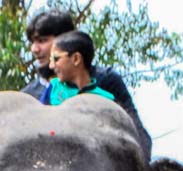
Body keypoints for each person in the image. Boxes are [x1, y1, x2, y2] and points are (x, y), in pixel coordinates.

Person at [22, 9, 152, 157]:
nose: (34, 49)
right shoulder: (28, 96)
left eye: (42, 40)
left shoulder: (105, 81)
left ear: (67, 41)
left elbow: (137, 135)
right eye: (32, 42)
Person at [40, 31, 115, 107]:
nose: (51, 66)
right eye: (51, 59)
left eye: (56, 59)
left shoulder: (106, 100)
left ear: (76, 59)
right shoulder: (54, 88)